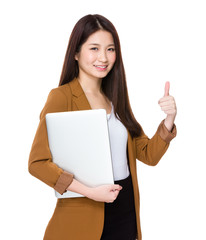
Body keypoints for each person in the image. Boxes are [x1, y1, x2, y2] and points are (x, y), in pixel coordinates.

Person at [28, 14, 177, 240]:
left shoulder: (115, 98)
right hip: (84, 215)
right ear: (76, 53)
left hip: (125, 211)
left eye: (110, 49)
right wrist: (90, 192)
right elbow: (37, 163)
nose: (104, 58)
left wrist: (169, 119)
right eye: (94, 48)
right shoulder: (62, 97)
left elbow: (148, 155)